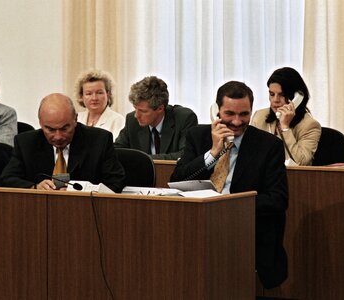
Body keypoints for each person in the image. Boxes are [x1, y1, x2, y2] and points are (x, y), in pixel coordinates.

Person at [170, 81, 288, 289]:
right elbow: (178, 181)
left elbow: (278, 199)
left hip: (244, 229)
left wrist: (230, 205)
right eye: (229, 114)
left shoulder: (269, 146)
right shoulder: (197, 136)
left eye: (244, 114)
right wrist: (213, 152)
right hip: (199, 225)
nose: (236, 121)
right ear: (217, 111)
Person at [0, 93, 125, 192]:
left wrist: (82, 191)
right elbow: (7, 179)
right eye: (50, 129)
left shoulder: (99, 140)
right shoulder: (26, 143)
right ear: (40, 123)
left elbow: (115, 182)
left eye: (65, 128)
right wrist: (35, 187)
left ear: (75, 120)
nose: (58, 136)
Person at [250, 67, 321, 166]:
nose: (275, 100)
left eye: (282, 94)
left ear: (296, 97)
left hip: (292, 179)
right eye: (271, 94)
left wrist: (285, 127)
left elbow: (301, 162)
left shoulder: (310, 125)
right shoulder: (260, 117)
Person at [114, 76, 198, 160]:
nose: (136, 115)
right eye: (135, 108)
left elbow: (186, 155)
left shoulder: (184, 119)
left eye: (143, 111)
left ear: (160, 109)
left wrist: (144, 160)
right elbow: (116, 151)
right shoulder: (132, 120)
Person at [74, 70, 125, 141]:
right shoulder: (77, 118)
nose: (94, 98)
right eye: (89, 93)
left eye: (99, 93)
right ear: (81, 96)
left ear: (108, 94)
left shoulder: (117, 120)